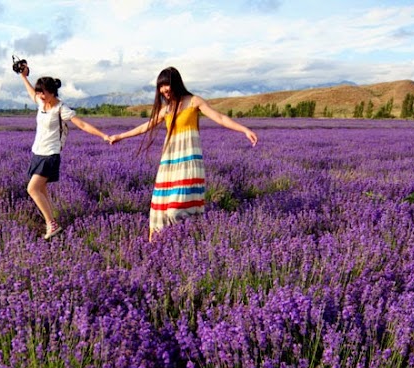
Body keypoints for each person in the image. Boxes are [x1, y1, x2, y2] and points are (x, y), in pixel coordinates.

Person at [110, 67, 258, 241]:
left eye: (167, 85)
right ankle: (164, 246)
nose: (164, 90)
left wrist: (244, 130)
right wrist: (120, 136)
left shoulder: (194, 101)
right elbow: (145, 127)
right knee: (162, 207)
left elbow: (220, 118)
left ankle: (187, 240)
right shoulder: (166, 110)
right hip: (169, 164)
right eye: (161, 86)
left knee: (177, 208)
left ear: (176, 83)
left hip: (188, 162)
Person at [18, 62, 111, 239]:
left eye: (43, 92)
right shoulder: (41, 103)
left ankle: (51, 225)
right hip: (37, 152)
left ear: (53, 92)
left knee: (32, 189)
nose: (40, 95)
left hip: (50, 155)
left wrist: (103, 136)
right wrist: (23, 76)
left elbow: (82, 124)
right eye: (39, 92)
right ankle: (52, 225)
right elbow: (31, 92)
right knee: (42, 191)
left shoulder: (61, 109)